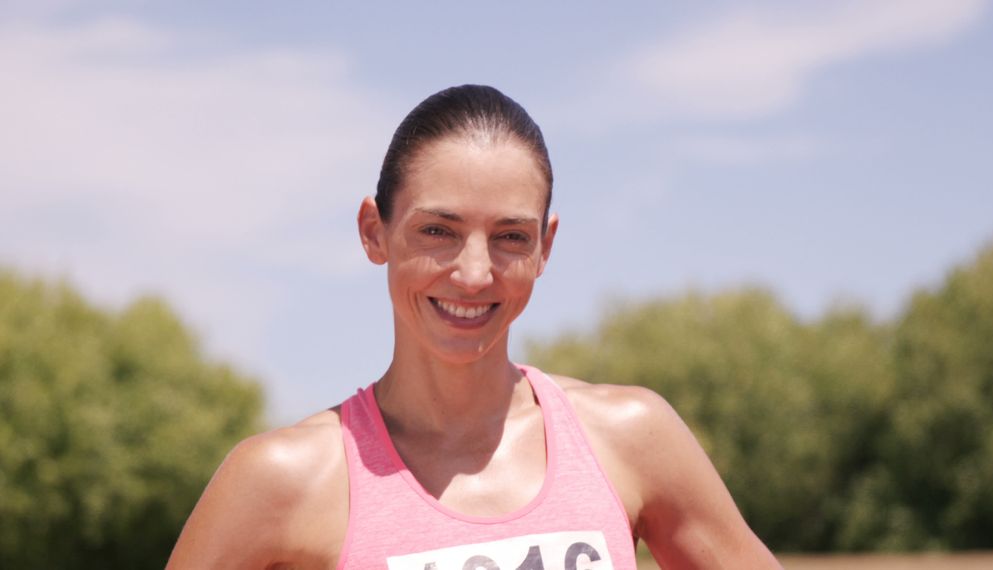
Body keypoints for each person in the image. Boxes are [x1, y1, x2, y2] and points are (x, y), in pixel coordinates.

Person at [167, 85, 782, 569]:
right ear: (373, 231)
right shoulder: (281, 479)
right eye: (438, 230)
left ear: (546, 247)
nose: (473, 273)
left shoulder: (631, 439)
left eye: (511, 237)